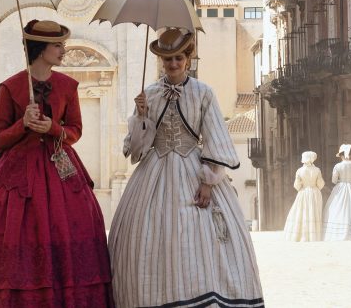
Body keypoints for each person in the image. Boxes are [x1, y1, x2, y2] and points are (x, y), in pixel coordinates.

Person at [0, 20, 113, 306]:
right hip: (16, 175)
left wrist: (53, 129)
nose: (63, 51)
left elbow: (75, 130)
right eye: (57, 46)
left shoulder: (67, 86)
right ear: (40, 48)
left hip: (59, 170)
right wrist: (23, 124)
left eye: (62, 45)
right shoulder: (10, 87)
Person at [109, 28, 264, 307]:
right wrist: (142, 116)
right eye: (167, 59)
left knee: (195, 239)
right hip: (154, 175)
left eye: (178, 58)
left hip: (193, 170)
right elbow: (137, 148)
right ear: (161, 62)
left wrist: (207, 181)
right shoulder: (150, 94)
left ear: (188, 59)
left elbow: (215, 134)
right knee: (150, 236)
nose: (173, 64)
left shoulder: (203, 92)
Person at [284, 150, 325, 241]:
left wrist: (302, 186)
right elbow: (320, 184)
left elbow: (297, 186)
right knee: (313, 212)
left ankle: (303, 235)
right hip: (314, 193)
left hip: (303, 193)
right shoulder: (317, 170)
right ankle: (314, 235)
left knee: (302, 212)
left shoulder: (299, 171)